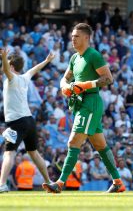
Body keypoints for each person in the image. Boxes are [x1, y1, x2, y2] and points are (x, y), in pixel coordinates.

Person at [42, 23, 125, 193]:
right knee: (101, 145)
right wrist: (65, 86)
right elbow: (64, 79)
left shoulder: (94, 55)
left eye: (76, 36)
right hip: (81, 103)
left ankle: (59, 183)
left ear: (87, 38)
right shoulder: (74, 58)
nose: (72, 39)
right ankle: (118, 182)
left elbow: (108, 79)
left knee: (73, 141)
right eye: (72, 36)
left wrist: (85, 85)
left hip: (90, 102)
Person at [0, 48, 55, 193]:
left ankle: (2, 185)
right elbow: (35, 69)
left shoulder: (11, 78)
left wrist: (4, 57)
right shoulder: (25, 77)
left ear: (11, 67)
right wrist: (47, 61)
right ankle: (49, 182)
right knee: (34, 153)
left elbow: (5, 69)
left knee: (9, 153)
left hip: (17, 122)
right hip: (30, 121)